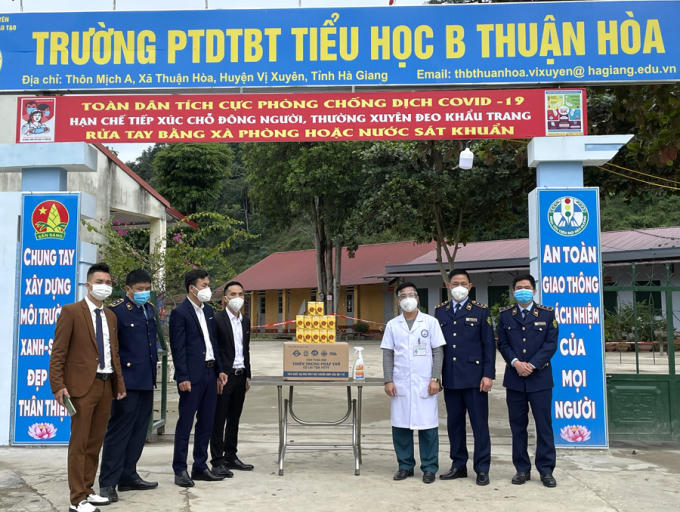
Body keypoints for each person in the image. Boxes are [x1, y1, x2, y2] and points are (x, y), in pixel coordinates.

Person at [49, 263, 126, 512]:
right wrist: (58, 385)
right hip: (82, 387)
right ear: (88, 285)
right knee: (80, 443)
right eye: (100, 282)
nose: (105, 286)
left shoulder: (111, 316)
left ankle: (88, 489)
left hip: (105, 384)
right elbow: (58, 352)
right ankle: (76, 498)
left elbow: (113, 353)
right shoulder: (71, 312)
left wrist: (119, 383)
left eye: (108, 282)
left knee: (95, 442)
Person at [98, 269, 159, 503]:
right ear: (128, 289)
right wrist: (117, 381)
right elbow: (112, 349)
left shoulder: (149, 310)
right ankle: (108, 482)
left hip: (146, 379)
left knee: (139, 431)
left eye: (147, 289)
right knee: (119, 432)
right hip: (126, 382)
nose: (144, 293)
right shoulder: (116, 311)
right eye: (140, 289)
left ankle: (128, 475)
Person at [497, 274, 558, 488]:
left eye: (527, 287)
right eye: (519, 287)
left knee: (544, 426)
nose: (523, 290)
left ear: (534, 290)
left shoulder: (547, 314)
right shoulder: (505, 315)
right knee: (518, 427)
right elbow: (502, 343)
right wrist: (515, 363)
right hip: (515, 379)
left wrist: (531, 365)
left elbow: (550, 344)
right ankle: (521, 469)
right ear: (514, 291)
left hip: (540, 379)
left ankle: (546, 470)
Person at [381, 282, 445, 484]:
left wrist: (435, 378)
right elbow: (388, 354)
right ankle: (405, 466)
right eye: (403, 295)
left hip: (425, 383)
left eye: (411, 294)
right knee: (401, 427)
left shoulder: (430, 322)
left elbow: (438, 352)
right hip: (400, 382)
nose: (407, 299)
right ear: (398, 300)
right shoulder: (393, 325)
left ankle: (429, 467)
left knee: (428, 428)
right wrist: (388, 379)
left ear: (417, 298)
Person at [436, 269, 495, 486]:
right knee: (455, 424)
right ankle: (458, 464)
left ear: (470, 286)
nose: (459, 287)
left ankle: (482, 468)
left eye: (463, 283)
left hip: (475, 378)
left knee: (479, 425)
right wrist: (436, 376)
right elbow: (437, 347)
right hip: (451, 377)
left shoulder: (480, 311)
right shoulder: (440, 312)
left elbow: (489, 346)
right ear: (448, 286)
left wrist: (488, 375)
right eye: (455, 283)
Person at [169, 269, 228, 487]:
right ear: (192, 288)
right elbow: (178, 348)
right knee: (185, 423)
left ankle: (200, 465)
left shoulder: (209, 311)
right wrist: (182, 376)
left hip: (210, 373)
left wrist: (220, 370)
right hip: (192, 376)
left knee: (206, 422)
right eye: (204, 285)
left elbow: (213, 343)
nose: (208, 289)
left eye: (208, 285)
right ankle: (180, 469)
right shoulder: (180, 313)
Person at [210, 281, 254, 477]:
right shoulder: (217, 319)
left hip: (240, 375)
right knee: (219, 419)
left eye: (241, 294)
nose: (237, 298)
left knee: (234, 418)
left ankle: (231, 456)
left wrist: (248, 374)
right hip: (224, 376)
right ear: (225, 298)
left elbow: (246, 349)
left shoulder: (245, 320)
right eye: (233, 294)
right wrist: (218, 374)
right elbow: (215, 349)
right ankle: (217, 460)